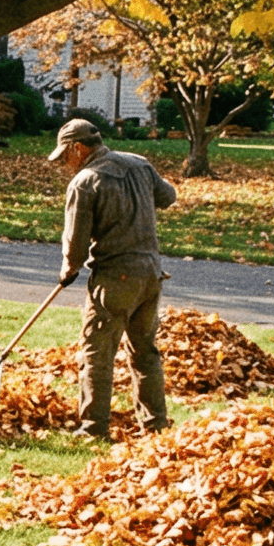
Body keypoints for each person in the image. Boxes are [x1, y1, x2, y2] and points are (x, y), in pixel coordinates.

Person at [51, 117, 177, 440]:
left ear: (78, 149)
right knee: (144, 351)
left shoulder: (85, 182)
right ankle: (156, 426)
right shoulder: (139, 164)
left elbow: (75, 244)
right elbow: (169, 196)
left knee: (96, 351)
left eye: (65, 155)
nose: (65, 164)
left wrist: (68, 269)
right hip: (151, 275)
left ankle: (93, 429)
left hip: (115, 280)